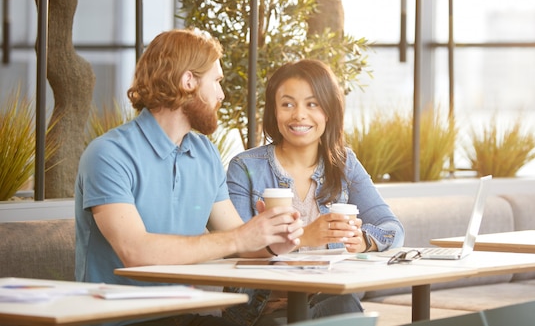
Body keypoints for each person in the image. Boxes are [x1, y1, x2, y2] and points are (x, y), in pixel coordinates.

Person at [74, 28, 304, 326]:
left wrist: (273, 240)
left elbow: (239, 240)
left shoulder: (204, 153)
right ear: (188, 81)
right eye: (217, 81)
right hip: (117, 320)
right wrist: (240, 237)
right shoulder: (109, 154)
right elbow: (135, 251)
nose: (221, 94)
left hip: (179, 315)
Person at [224, 59, 405, 326]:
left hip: (326, 300)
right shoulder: (245, 167)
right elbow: (235, 248)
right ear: (274, 111)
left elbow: (393, 229)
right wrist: (304, 237)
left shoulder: (344, 164)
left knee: (344, 305)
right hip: (263, 309)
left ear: (328, 111)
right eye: (287, 104)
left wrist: (362, 239)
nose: (299, 115)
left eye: (312, 104)